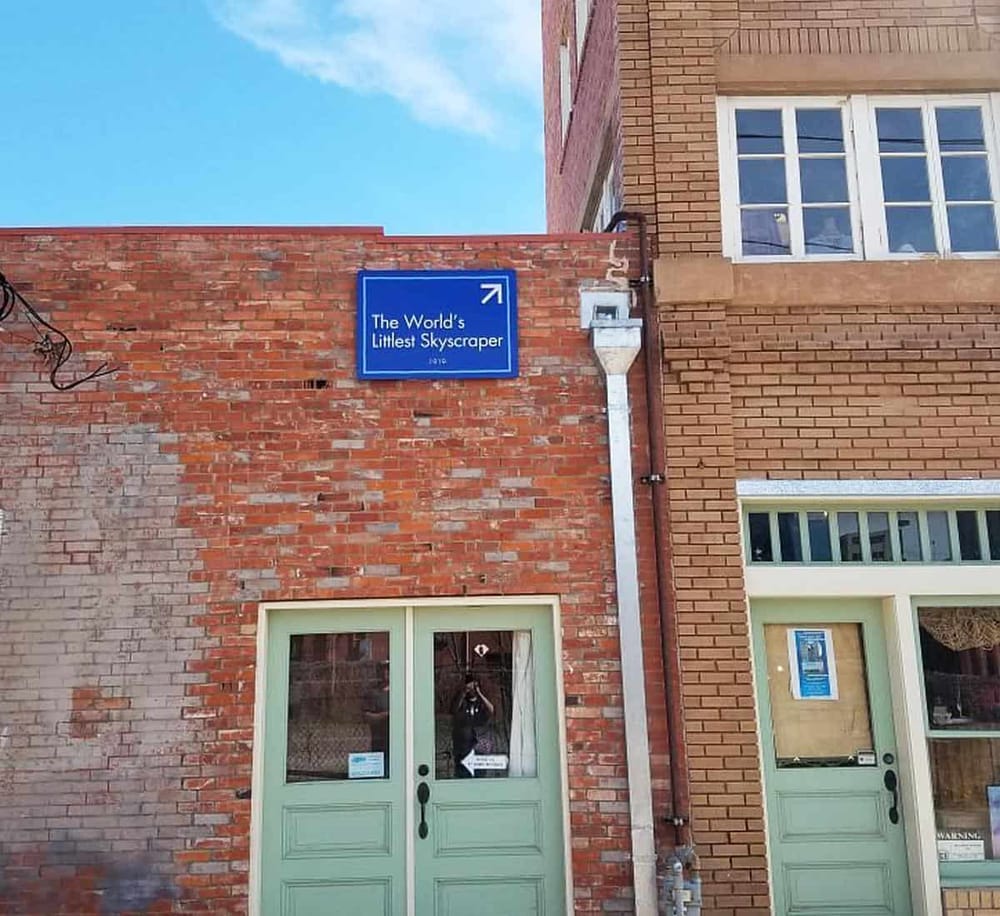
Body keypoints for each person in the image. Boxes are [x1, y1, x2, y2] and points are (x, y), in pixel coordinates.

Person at [451, 671, 494, 778]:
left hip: (480, 748)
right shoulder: (461, 700)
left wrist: (479, 693)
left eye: (473, 686)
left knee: (480, 777)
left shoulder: (482, 702)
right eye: (469, 686)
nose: (471, 689)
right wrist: (463, 693)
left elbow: (491, 710)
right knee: (462, 776)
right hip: (462, 749)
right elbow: (454, 710)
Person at [364, 662, 390, 774]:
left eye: (388, 669)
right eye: (383, 670)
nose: (385, 673)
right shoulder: (373, 693)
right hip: (379, 742)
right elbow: (367, 716)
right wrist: (383, 715)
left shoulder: (404, 692)